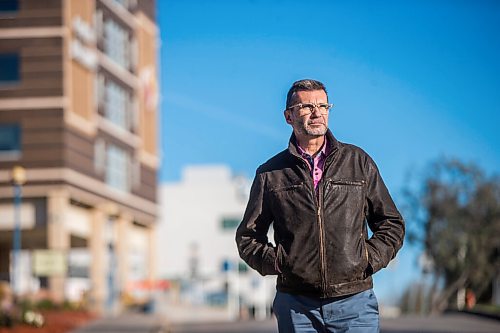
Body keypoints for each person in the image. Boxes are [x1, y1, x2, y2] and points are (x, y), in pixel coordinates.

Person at [236, 79, 405, 333]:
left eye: (323, 105)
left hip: (354, 302)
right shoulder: (270, 174)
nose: (317, 112)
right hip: (297, 306)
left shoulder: (358, 162)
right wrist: (279, 262)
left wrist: (367, 259)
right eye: (307, 107)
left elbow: (391, 224)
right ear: (288, 116)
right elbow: (248, 238)